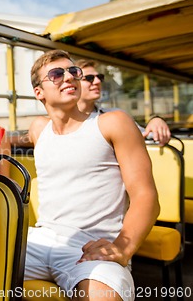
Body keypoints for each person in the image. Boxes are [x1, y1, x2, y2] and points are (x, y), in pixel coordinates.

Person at [25, 50, 160, 300]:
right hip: (39, 239)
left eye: (73, 72)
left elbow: (145, 196)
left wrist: (122, 248)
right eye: (56, 74)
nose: (68, 78)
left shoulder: (112, 123)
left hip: (90, 245)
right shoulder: (38, 128)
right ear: (39, 93)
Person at [75, 59, 171, 146]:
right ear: (72, 84)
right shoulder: (62, 122)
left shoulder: (116, 116)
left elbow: (147, 136)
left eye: (100, 77)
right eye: (89, 78)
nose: (97, 81)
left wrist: (156, 121)